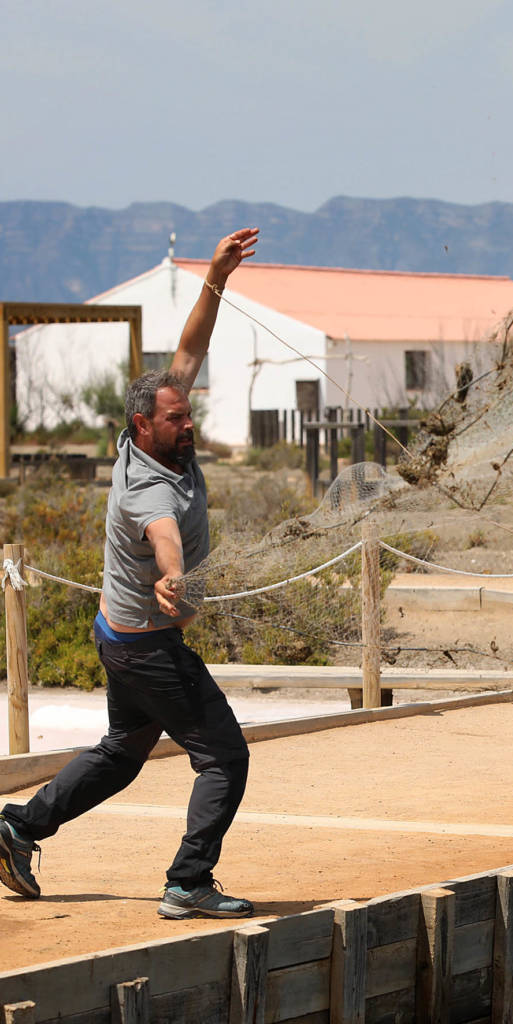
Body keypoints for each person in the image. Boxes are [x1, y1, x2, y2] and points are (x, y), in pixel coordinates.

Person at [0, 228, 260, 919]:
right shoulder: (150, 490)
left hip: (122, 635)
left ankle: (18, 828)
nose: (189, 425)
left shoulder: (151, 433)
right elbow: (164, 539)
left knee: (122, 750)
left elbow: (190, 349)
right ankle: (188, 882)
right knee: (224, 757)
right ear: (142, 428)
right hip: (145, 642)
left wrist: (216, 275)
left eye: (189, 414)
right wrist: (172, 580)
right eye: (176, 419)